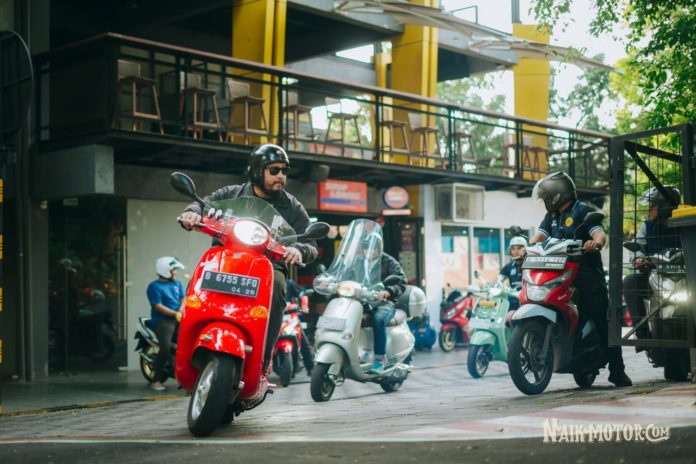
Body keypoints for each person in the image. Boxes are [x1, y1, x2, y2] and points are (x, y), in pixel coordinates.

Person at [178, 144, 318, 382]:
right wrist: (192, 212)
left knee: (278, 286)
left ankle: (263, 361)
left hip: (268, 267)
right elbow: (203, 203)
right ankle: (184, 344)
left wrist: (299, 249)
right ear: (256, 171)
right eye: (274, 170)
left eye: (284, 171)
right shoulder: (232, 193)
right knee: (199, 278)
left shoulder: (292, 206)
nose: (281, 176)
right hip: (226, 259)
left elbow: (310, 243)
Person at [528, 171, 632, 387]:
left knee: (602, 318)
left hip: (586, 274)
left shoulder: (583, 211)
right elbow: (538, 237)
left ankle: (617, 370)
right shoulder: (551, 216)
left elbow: (599, 233)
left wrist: (596, 242)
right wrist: (526, 248)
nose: (546, 200)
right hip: (558, 271)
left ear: (557, 195)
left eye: (547, 196)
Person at [622, 186, 681, 342]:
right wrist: (638, 258)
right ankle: (642, 334)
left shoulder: (683, 225)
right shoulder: (647, 226)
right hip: (654, 279)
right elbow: (638, 245)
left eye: (653, 206)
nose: (650, 209)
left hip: (684, 279)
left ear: (665, 206)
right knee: (630, 282)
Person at [354, 231, 407, 374]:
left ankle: (379, 360)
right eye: (366, 248)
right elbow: (347, 276)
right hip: (362, 301)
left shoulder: (389, 262)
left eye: (373, 248)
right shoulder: (358, 262)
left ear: (380, 247)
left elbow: (402, 282)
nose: (369, 251)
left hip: (384, 303)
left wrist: (388, 291)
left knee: (378, 320)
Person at [146, 256, 186, 391]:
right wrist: (174, 314)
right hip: (162, 321)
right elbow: (157, 306)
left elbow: (183, 298)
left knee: (185, 346)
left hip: (178, 318)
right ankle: (156, 380)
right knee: (165, 348)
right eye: (174, 270)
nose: (176, 272)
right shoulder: (154, 286)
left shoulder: (177, 283)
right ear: (165, 271)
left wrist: (180, 310)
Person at [285, 279, 315, 376]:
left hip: (289, 318)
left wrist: (304, 307)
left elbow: (302, 294)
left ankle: (310, 368)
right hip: (273, 317)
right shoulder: (266, 281)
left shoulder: (289, 283)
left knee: (303, 341)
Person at [500, 235, 526, 324]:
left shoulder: (531, 264)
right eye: (513, 249)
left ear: (525, 250)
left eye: (519, 248)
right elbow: (499, 280)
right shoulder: (508, 266)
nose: (516, 251)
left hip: (527, 299)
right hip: (513, 299)